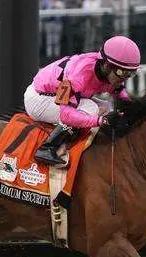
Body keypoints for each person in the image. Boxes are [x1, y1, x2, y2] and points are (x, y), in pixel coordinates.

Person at [24, 35, 140, 165]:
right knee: (91, 108)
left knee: (108, 107)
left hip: (55, 95)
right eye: (122, 72)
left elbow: (118, 90)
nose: (125, 78)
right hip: (38, 99)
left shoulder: (103, 68)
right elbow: (66, 114)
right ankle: (47, 148)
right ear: (107, 66)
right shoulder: (76, 76)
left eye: (130, 73)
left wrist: (130, 107)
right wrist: (102, 121)